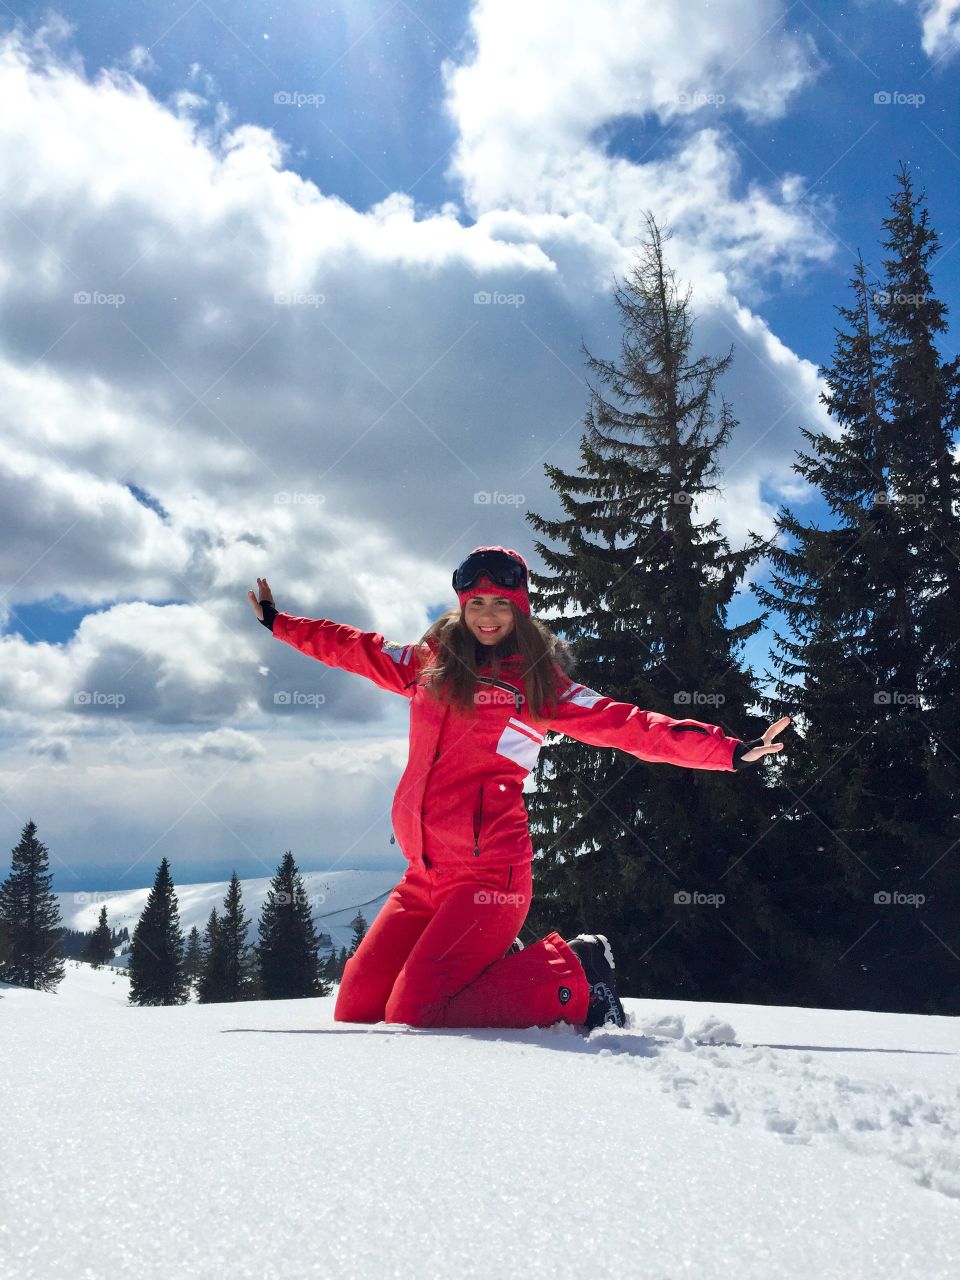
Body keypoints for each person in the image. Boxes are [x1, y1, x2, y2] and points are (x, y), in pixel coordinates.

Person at [248, 545, 790, 1033]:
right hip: (423, 875)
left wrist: (729, 751)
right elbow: (353, 647)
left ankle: (577, 977)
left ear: (521, 609)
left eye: (501, 604)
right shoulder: (427, 664)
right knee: (358, 1007)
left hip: (491, 876)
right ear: (462, 605)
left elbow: (629, 725)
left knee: (415, 1011)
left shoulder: (539, 685)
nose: (488, 616)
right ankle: (491, 963)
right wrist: (279, 623)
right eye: (477, 603)